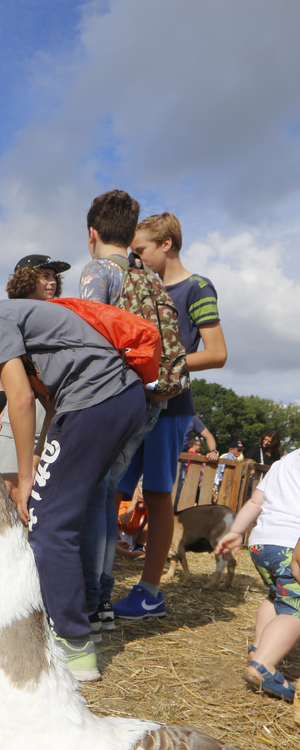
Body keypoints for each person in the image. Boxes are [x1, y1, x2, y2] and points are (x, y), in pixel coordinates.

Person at [0, 275, 147, 680]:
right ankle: (81, 618)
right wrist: (41, 458)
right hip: (121, 398)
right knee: (64, 512)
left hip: (95, 400)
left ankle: (72, 645)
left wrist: (26, 476)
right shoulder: (16, 319)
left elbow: (21, 399)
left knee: (49, 522)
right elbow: (50, 404)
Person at [113, 212, 227, 620]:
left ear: (166, 244)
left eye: (140, 250)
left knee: (159, 495)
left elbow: (217, 353)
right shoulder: (141, 286)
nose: (135, 258)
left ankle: (149, 592)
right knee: (113, 490)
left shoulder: (197, 288)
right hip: (135, 404)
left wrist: (161, 367)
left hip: (173, 407)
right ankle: (99, 579)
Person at [77, 189, 161, 638]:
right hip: (148, 400)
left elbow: (91, 335)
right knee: (108, 491)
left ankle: (91, 602)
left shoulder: (99, 271)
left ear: (92, 233)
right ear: (130, 235)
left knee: (94, 492)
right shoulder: (147, 276)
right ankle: (104, 601)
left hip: (110, 395)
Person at [214, 449, 300, 702]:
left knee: (276, 596)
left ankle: (258, 649)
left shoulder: (284, 462)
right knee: (296, 606)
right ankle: (263, 666)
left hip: (261, 543)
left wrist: (236, 531)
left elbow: (255, 502)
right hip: (290, 544)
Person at [6, 254, 71, 301]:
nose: (53, 282)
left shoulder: (61, 312)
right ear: (26, 280)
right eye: (45, 276)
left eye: (54, 277)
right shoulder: (11, 312)